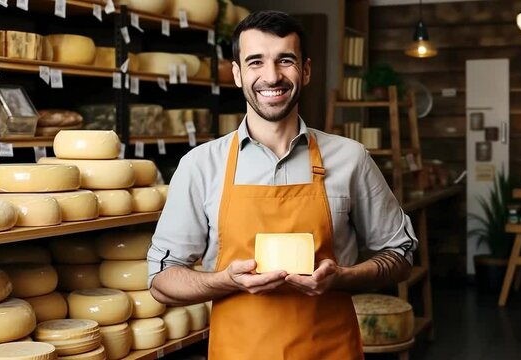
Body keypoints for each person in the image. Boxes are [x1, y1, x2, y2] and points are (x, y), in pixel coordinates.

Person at [147, 10, 418, 360]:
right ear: (237, 73)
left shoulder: (351, 158)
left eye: (285, 60)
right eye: (255, 61)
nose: (271, 76)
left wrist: (341, 277)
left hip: (330, 351)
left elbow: (401, 253)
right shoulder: (201, 165)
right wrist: (226, 280)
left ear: (305, 71)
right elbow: (161, 280)